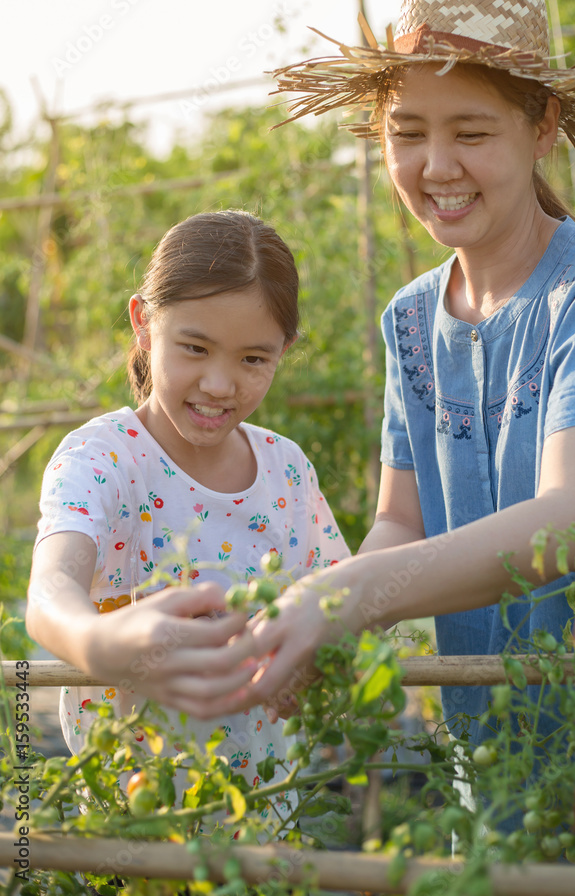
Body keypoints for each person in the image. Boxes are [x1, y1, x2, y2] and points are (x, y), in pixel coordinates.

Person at [236, 0, 575, 749]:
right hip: (485, 739)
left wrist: (343, 597)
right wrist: (325, 617)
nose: (436, 166)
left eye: (470, 134)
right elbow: (400, 520)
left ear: (541, 129)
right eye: (407, 133)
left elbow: (571, 523)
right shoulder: (409, 319)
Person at [26, 210, 348, 809]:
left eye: (254, 359)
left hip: (265, 803)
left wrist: (322, 654)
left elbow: (340, 598)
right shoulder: (103, 461)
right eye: (195, 348)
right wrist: (98, 643)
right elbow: (50, 596)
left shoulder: (286, 469)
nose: (221, 384)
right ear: (144, 323)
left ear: (285, 350)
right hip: (131, 814)